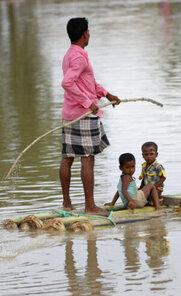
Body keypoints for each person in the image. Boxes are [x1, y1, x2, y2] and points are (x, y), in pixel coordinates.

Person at [60, 17, 121, 216]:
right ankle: (90, 206)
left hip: (70, 113)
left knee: (68, 157)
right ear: (84, 33)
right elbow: (68, 83)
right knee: (87, 158)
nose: (90, 35)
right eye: (89, 31)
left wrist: (106, 94)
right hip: (83, 114)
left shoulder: (71, 54)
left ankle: (67, 204)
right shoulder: (79, 57)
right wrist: (88, 103)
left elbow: (87, 83)